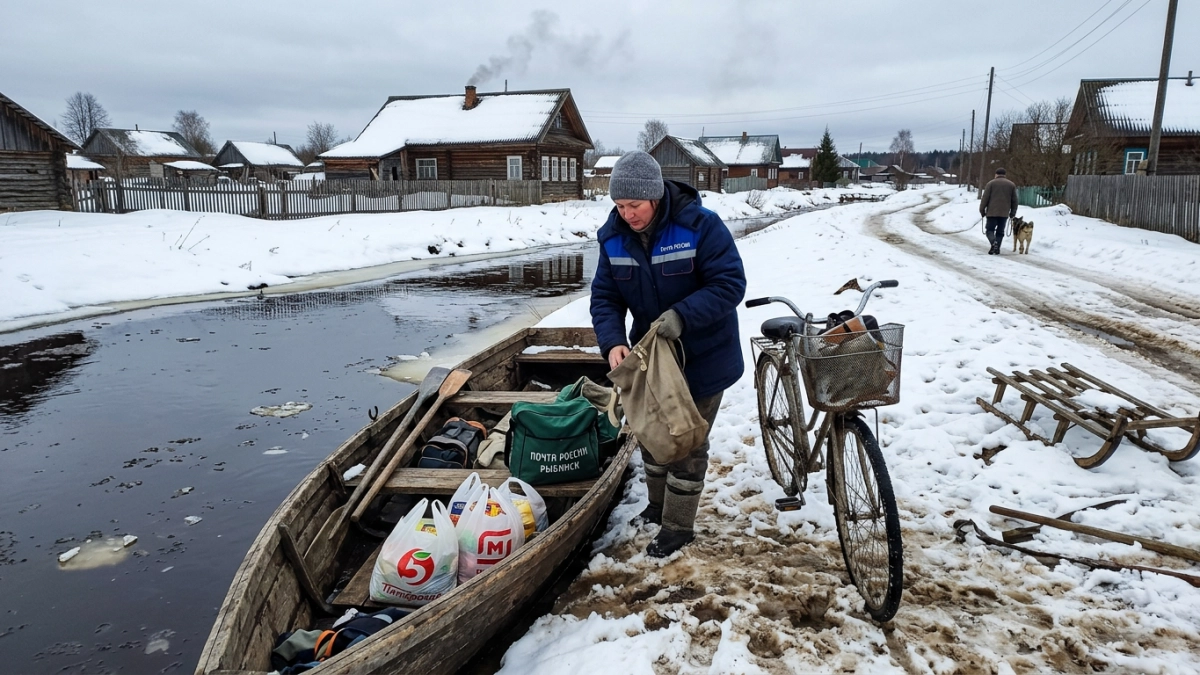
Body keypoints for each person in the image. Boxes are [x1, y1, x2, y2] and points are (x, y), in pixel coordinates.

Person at [590, 151, 747, 558]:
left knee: (687, 442)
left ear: (655, 196)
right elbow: (605, 297)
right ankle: (657, 507)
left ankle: (678, 526)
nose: (627, 214)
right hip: (649, 360)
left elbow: (730, 283)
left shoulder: (700, 226)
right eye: (620, 206)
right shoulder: (612, 237)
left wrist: (682, 315)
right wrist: (611, 342)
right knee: (651, 435)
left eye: (634, 205)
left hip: (704, 357)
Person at [980, 168, 1018, 255]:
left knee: (989, 230)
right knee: (1000, 232)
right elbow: (1015, 200)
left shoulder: (990, 184)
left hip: (991, 212)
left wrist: (982, 210)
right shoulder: (1011, 185)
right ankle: (997, 249)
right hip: (1004, 213)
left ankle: (993, 243)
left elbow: (985, 198)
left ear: (996, 174)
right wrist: (1013, 212)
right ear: (1005, 175)